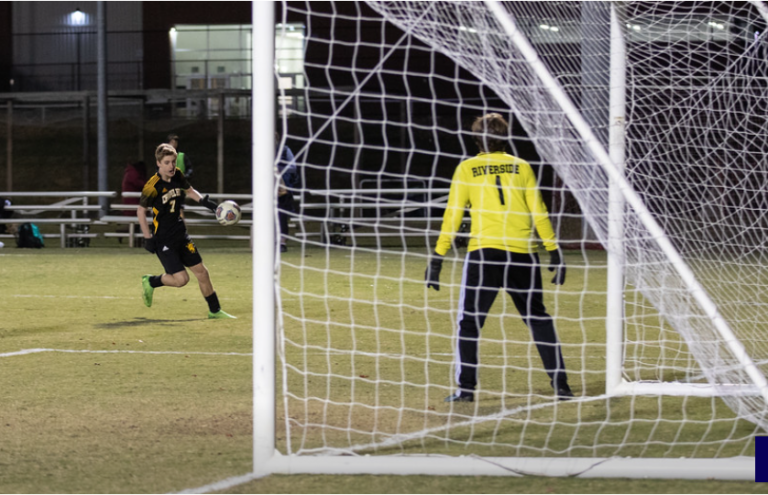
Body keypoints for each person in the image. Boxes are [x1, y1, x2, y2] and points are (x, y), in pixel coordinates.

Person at [425, 113, 573, 403]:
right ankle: (562, 386)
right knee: (538, 318)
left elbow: (453, 215)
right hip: (522, 255)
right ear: (506, 137)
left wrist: (437, 257)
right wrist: (553, 250)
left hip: (485, 255)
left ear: (476, 138)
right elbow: (539, 212)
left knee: (469, 323)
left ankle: (466, 390)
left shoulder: (467, 168)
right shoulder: (522, 167)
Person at [138, 143, 235, 319]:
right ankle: (151, 281)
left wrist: (206, 203)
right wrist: (148, 238)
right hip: (164, 240)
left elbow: (190, 191)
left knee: (202, 272)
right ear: (158, 163)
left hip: (181, 236)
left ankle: (215, 311)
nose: (171, 166)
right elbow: (140, 211)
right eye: (167, 162)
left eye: (173, 162)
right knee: (181, 280)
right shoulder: (152, 186)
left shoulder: (178, 176)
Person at [276, 132, 299, 253]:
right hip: (267, 189)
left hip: (283, 190)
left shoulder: (285, 150)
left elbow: (293, 167)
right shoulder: (261, 150)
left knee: (282, 217)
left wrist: (278, 168)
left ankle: (282, 243)